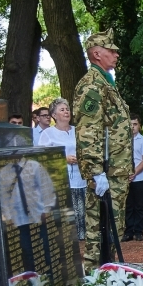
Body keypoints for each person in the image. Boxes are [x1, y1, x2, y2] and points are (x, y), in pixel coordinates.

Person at [74, 28, 133, 270]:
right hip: (105, 173)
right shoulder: (92, 85)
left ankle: (109, 274)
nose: (116, 54)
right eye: (112, 50)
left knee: (112, 229)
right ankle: (93, 279)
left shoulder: (106, 82)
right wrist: (95, 172)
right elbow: (88, 130)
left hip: (116, 171)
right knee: (98, 230)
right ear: (97, 54)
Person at [38, 98, 87, 241]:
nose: (66, 112)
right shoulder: (48, 134)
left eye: (67, 109)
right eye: (62, 110)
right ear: (54, 115)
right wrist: (63, 158)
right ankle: (68, 240)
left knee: (82, 210)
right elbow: (43, 156)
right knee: (67, 211)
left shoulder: (78, 131)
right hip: (62, 179)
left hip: (81, 177)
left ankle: (82, 237)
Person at [123, 113, 143, 242]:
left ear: (139, 126)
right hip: (126, 178)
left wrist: (134, 172)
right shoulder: (122, 141)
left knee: (139, 205)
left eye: (135, 124)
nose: (132, 127)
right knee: (128, 205)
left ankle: (139, 231)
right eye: (130, 124)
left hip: (140, 178)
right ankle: (128, 231)